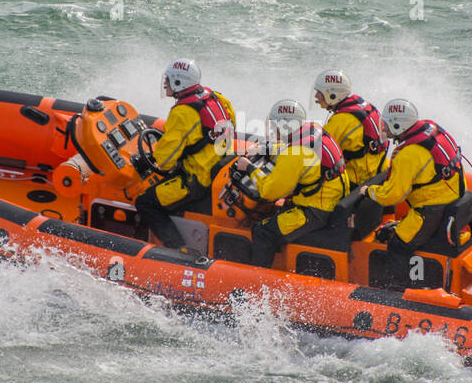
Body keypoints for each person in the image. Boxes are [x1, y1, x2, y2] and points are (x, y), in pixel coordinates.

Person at [356, 99, 466, 290]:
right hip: (452, 193)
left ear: (398, 125)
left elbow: (392, 195)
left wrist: (369, 192)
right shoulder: (430, 129)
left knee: (398, 244)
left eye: (388, 124)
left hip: (432, 208)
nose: (384, 128)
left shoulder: (408, 155)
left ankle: (399, 289)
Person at [233, 99, 349, 268]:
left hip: (315, 211)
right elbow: (289, 149)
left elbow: (269, 191)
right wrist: (263, 149)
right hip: (330, 198)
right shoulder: (313, 130)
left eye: (274, 126)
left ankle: (255, 284)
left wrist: (249, 167)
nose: (272, 129)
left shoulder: (294, 153)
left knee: (263, 231)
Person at [134, 58, 235, 248]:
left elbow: (164, 161)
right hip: (220, 167)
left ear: (179, 82)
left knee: (145, 202)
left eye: (169, 79)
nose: (165, 83)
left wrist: (148, 160)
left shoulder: (182, 113)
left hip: (198, 179)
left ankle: (178, 249)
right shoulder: (216, 97)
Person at [312, 69, 387, 188]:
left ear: (332, 94)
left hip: (360, 181)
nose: (316, 96)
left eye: (319, 92)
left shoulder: (341, 120)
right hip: (381, 171)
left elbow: (315, 153)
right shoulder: (363, 105)